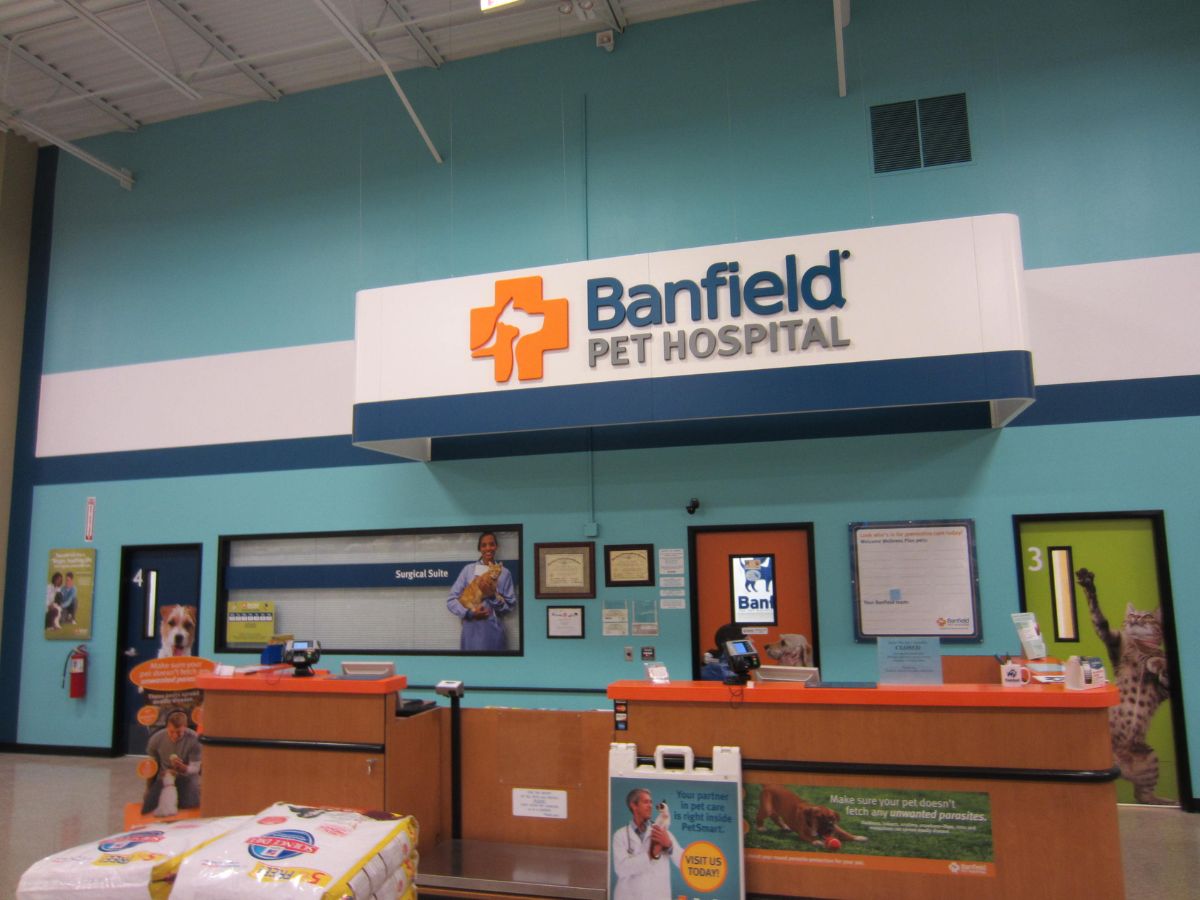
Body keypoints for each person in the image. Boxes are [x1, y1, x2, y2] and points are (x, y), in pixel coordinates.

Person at [447, 531, 516, 651]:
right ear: (479, 549)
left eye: (491, 544)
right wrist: (469, 613)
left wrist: (492, 596)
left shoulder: (504, 573)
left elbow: (509, 606)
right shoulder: (468, 570)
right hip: (471, 630)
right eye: (484, 545)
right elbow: (451, 601)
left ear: (496, 546)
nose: (488, 548)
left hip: (493, 631)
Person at [612, 787, 680, 900]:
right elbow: (621, 870)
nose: (650, 806)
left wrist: (669, 846)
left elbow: (684, 862)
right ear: (633, 805)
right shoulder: (620, 835)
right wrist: (651, 854)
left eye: (651, 802)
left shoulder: (662, 832)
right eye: (646, 802)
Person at [141, 710, 201, 814]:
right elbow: (152, 765)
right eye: (171, 731)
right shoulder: (156, 739)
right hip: (165, 778)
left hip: (187, 778)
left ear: (185, 727)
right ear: (167, 727)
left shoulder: (195, 739)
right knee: (149, 807)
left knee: (190, 806)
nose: (175, 735)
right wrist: (148, 788)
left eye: (179, 732)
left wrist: (184, 768)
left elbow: (197, 768)